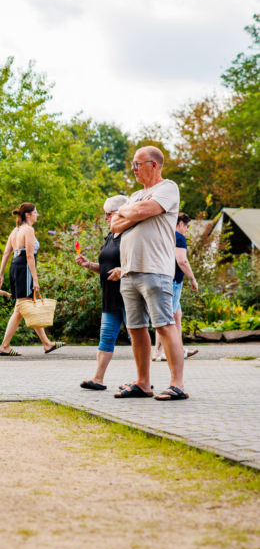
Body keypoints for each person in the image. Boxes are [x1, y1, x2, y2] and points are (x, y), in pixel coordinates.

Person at [110, 146, 187, 400]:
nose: (133, 168)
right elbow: (114, 225)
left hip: (156, 269)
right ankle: (143, 383)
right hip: (129, 270)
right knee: (136, 328)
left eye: (137, 163)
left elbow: (140, 212)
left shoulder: (168, 188)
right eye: (131, 164)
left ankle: (177, 385)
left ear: (154, 165)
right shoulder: (134, 195)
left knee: (164, 325)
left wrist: (132, 211)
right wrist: (132, 211)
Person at [0, 203, 64, 356]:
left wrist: (1, 274)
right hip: (24, 268)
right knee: (22, 306)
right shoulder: (29, 230)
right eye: (35, 212)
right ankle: (5, 346)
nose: (37, 214)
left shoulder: (15, 230)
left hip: (15, 267)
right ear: (28, 214)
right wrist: (35, 280)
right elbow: (29, 256)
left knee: (24, 306)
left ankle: (46, 343)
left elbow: (6, 254)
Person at [74, 195, 128, 390]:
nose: (105, 218)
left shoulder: (130, 235)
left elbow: (140, 262)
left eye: (108, 214)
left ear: (121, 213)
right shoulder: (110, 237)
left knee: (136, 336)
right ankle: (98, 379)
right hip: (110, 295)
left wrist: (123, 270)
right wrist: (89, 265)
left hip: (128, 295)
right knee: (106, 337)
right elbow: (105, 267)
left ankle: (142, 380)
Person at [152, 212, 199, 361]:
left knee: (176, 316)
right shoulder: (178, 237)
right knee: (166, 318)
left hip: (163, 278)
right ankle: (158, 353)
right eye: (187, 226)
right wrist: (193, 279)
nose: (187, 229)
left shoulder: (164, 235)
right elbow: (182, 261)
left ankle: (180, 350)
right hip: (173, 282)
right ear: (180, 224)